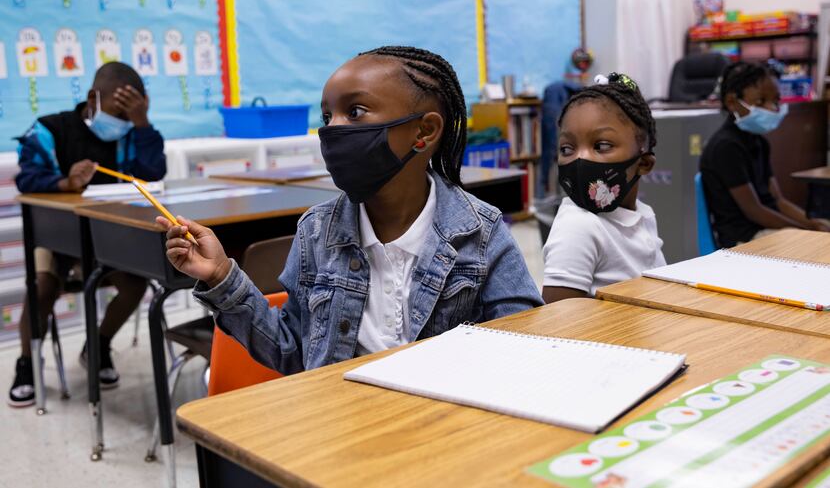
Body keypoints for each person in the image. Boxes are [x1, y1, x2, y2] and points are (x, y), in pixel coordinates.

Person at [159, 46, 543, 374]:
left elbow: (524, 353)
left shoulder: (482, 234)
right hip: (341, 430)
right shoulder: (316, 232)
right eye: (328, 117)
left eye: (355, 112)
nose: (332, 130)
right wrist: (222, 275)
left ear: (424, 131)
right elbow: (293, 353)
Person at [8, 62, 166, 407]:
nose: (120, 122)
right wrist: (64, 183)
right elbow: (26, 179)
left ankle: (98, 344)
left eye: (129, 115)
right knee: (43, 287)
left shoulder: (131, 133)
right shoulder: (49, 129)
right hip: (58, 236)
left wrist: (141, 123)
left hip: (109, 238)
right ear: (93, 97)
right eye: (116, 111)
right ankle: (26, 362)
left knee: (135, 285)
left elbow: (154, 174)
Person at [542, 73, 665, 304]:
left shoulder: (643, 214)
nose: (580, 160)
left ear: (644, 163)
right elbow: (557, 326)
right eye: (567, 149)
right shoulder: (578, 225)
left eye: (601, 145)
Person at [700, 61, 830, 248]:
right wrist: (804, 230)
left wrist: (811, 223)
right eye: (760, 101)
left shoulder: (759, 142)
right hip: (743, 237)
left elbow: (777, 199)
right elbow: (754, 210)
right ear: (731, 102)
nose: (771, 108)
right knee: (816, 246)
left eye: (775, 101)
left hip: (766, 228)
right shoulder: (726, 147)